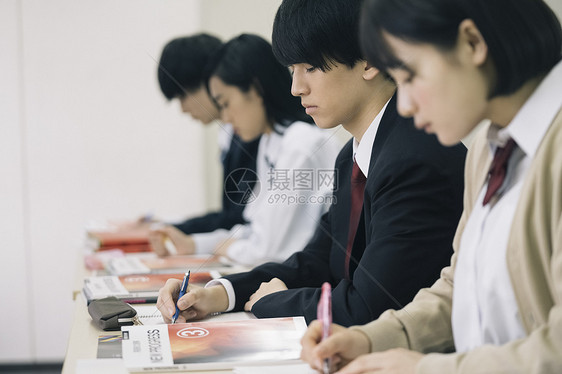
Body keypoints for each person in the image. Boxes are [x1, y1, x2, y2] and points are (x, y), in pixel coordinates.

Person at [156, 0, 466, 327]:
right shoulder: (353, 156)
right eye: (292, 70)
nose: (296, 88)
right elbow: (317, 261)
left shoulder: (414, 157)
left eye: (311, 68)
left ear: (370, 61)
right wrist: (219, 293)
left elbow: (369, 305)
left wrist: (274, 302)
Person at [300, 0, 562, 373]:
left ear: (471, 43)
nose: (403, 106)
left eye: (409, 76)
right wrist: (372, 339)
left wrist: (426, 368)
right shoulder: (490, 150)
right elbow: (461, 286)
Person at [151, 33, 341, 267]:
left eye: (226, 103)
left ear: (255, 89)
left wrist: (224, 247)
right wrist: (195, 244)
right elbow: (252, 229)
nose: (226, 118)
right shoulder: (272, 142)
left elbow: (266, 251)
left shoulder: (300, 144)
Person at [153, 34, 260, 236]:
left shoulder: (257, 132)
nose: (183, 109)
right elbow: (232, 213)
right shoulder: (230, 132)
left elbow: (241, 217)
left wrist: (178, 229)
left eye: (183, 95)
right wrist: (168, 225)